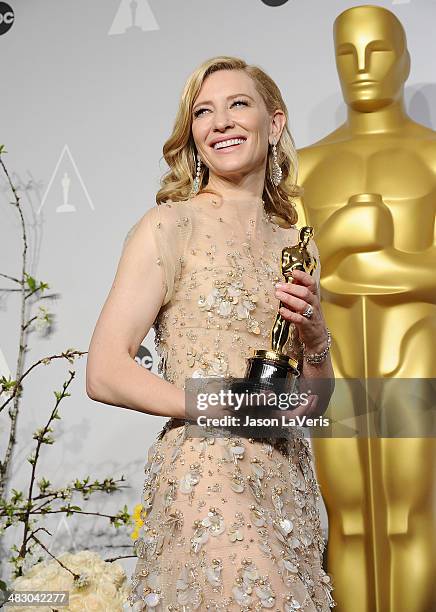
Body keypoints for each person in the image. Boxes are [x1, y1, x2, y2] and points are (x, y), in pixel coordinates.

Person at [86, 55, 335, 611]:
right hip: (206, 479)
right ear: (192, 135)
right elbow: (104, 371)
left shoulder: (296, 244)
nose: (220, 121)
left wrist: (316, 337)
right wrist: (216, 408)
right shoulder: (169, 226)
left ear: (274, 124)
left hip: (287, 487)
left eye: (237, 104)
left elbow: (311, 407)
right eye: (203, 111)